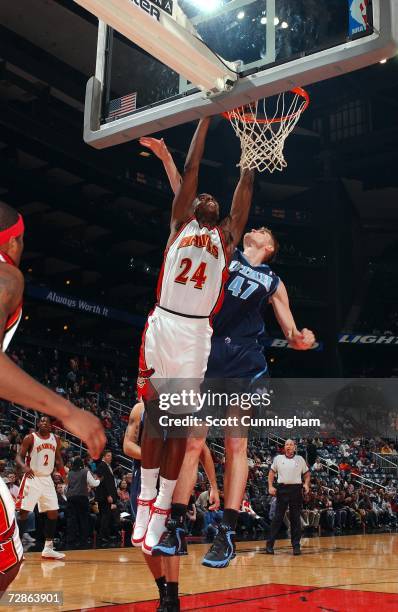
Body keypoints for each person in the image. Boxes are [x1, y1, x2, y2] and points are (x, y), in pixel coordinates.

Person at [133, 117, 255, 558]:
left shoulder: (226, 237)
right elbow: (192, 168)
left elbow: (242, 199)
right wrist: (205, 119)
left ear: (219, 214)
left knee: (180, 427)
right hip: (164, 323)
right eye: (199, 194)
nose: (204, 196)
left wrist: (250, 159)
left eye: (210, 198)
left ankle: (164, 508)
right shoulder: (179, 223)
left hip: (195, 335)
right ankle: (146, 502)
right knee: (153, 416)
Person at [0, 201, 105, 590]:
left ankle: (44, 544)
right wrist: (68, 410)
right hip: (33, 477)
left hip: (47, 477)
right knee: (6, 563)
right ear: (15, 242)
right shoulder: (7, 275)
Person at [124, 399, 219, 612]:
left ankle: (172, 598)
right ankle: (162, 589)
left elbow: (202, 450)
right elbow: (127, 445)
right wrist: (154, 457)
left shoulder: (183, 410)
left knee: (170, 533)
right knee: (144, 544)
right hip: (144, 476)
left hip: (172, 478)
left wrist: (214, 486)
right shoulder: (139, 409)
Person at [15, 416, 68, 559]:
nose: (44, 423)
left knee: (53, 513)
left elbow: (58, 458)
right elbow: (18, 457)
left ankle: (48, 548)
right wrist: (24, 467)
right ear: (38, 423)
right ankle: (17, 548)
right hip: (32, 478)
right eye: (42, 421)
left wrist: (63, 474)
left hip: (47, 479)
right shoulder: (30, 438)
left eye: (47, 422)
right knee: (24, 512)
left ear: (51, 426)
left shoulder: (55, 439)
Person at [266, 439, 310, 555]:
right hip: (282, 489)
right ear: (284, 447)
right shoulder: (278, 459)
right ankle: (269, 545)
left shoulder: (300, 459)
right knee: (278, 517)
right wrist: (270, 486)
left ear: (295, 447)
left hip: (296, 489)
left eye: (291, 444)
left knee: (295, 518)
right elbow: (271, 473)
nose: (288, 446)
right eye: (286, 444)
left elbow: (307, 474)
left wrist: (306, 484)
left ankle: (296, 546)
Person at [66, 456, 100, 549]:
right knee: (83, 519)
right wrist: (98, 480)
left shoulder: (70, 473)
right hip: (82, 497)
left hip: (71, 498)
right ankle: (83, 539)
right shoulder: (85, 471)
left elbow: (67, 486)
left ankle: (71, 539)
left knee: (72, 519)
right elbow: (94, 483)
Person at [95, 449, 118, 547]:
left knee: (106, 516)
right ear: (103, 456)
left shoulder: (107, 466)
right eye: (108, 456)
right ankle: (103, 536)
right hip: (104, 496)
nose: (110, 458)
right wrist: (108, 495)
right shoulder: (102, 466)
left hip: (107, 496)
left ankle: (105, 534)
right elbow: (102, 483)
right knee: (105, 515)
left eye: (111, 456)